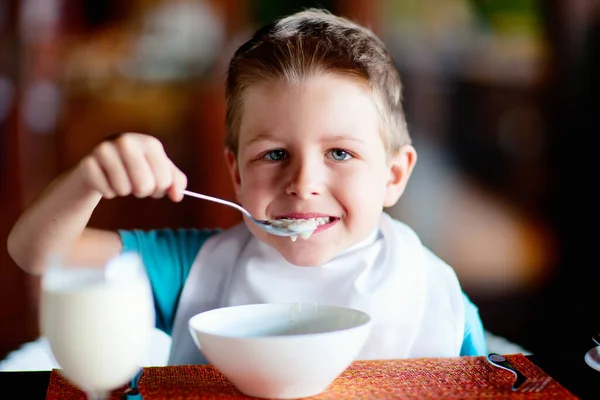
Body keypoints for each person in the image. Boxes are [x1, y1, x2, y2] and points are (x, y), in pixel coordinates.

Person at [7, 8, 486, 365]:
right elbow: (37, 255)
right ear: (236, 175)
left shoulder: (435, 298)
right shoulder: (193, 266)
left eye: (340, 153)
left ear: (394, 176)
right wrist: (88, 182)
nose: (303, 183)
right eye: (274, 154)